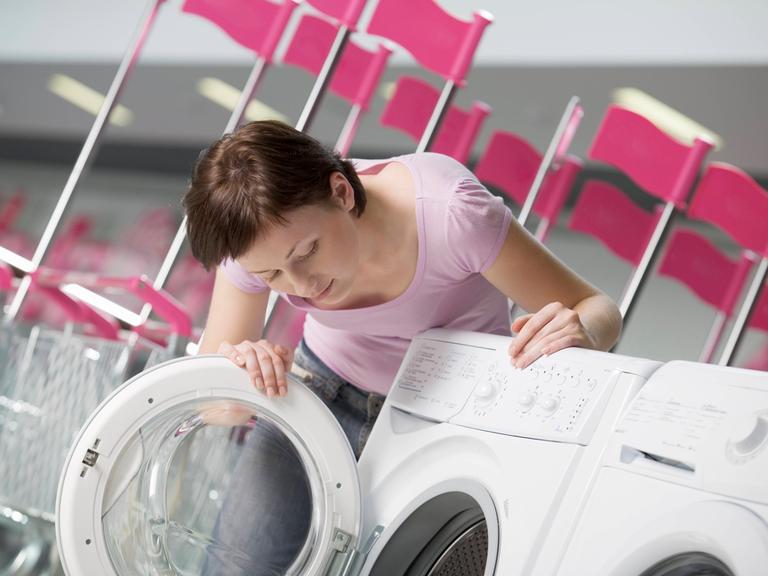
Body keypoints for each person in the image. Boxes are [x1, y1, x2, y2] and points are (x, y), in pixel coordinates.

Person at [184, 120, 622, 574]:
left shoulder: (453, 215)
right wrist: (242, 377)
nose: (302, 286)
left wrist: (583, 332)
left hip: (451, 421)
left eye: (307, 251)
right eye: (273, 276)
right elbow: (219, 410)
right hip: (320, 398)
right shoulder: (254, 243)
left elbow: (597, 307)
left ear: (342, 192)